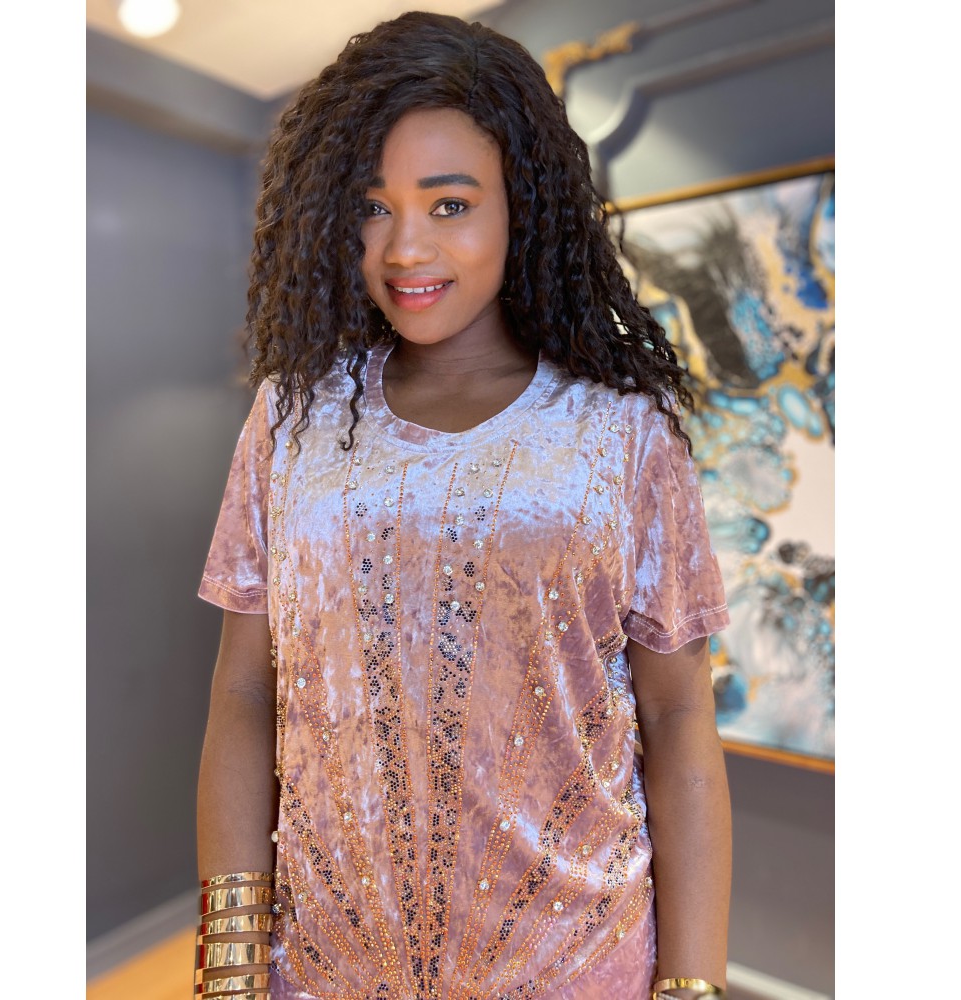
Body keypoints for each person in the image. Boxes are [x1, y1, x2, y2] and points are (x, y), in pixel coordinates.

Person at [194, 11, 732, 1000]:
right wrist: (229, 968)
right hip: (325, 971)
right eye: (373, 205)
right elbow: (241, 695)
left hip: (576, 969)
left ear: (521, 203)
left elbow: (679, 712)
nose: (405, 246)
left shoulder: (622, 432)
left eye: (449, 204)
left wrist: (692, 988)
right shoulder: (292, 419)